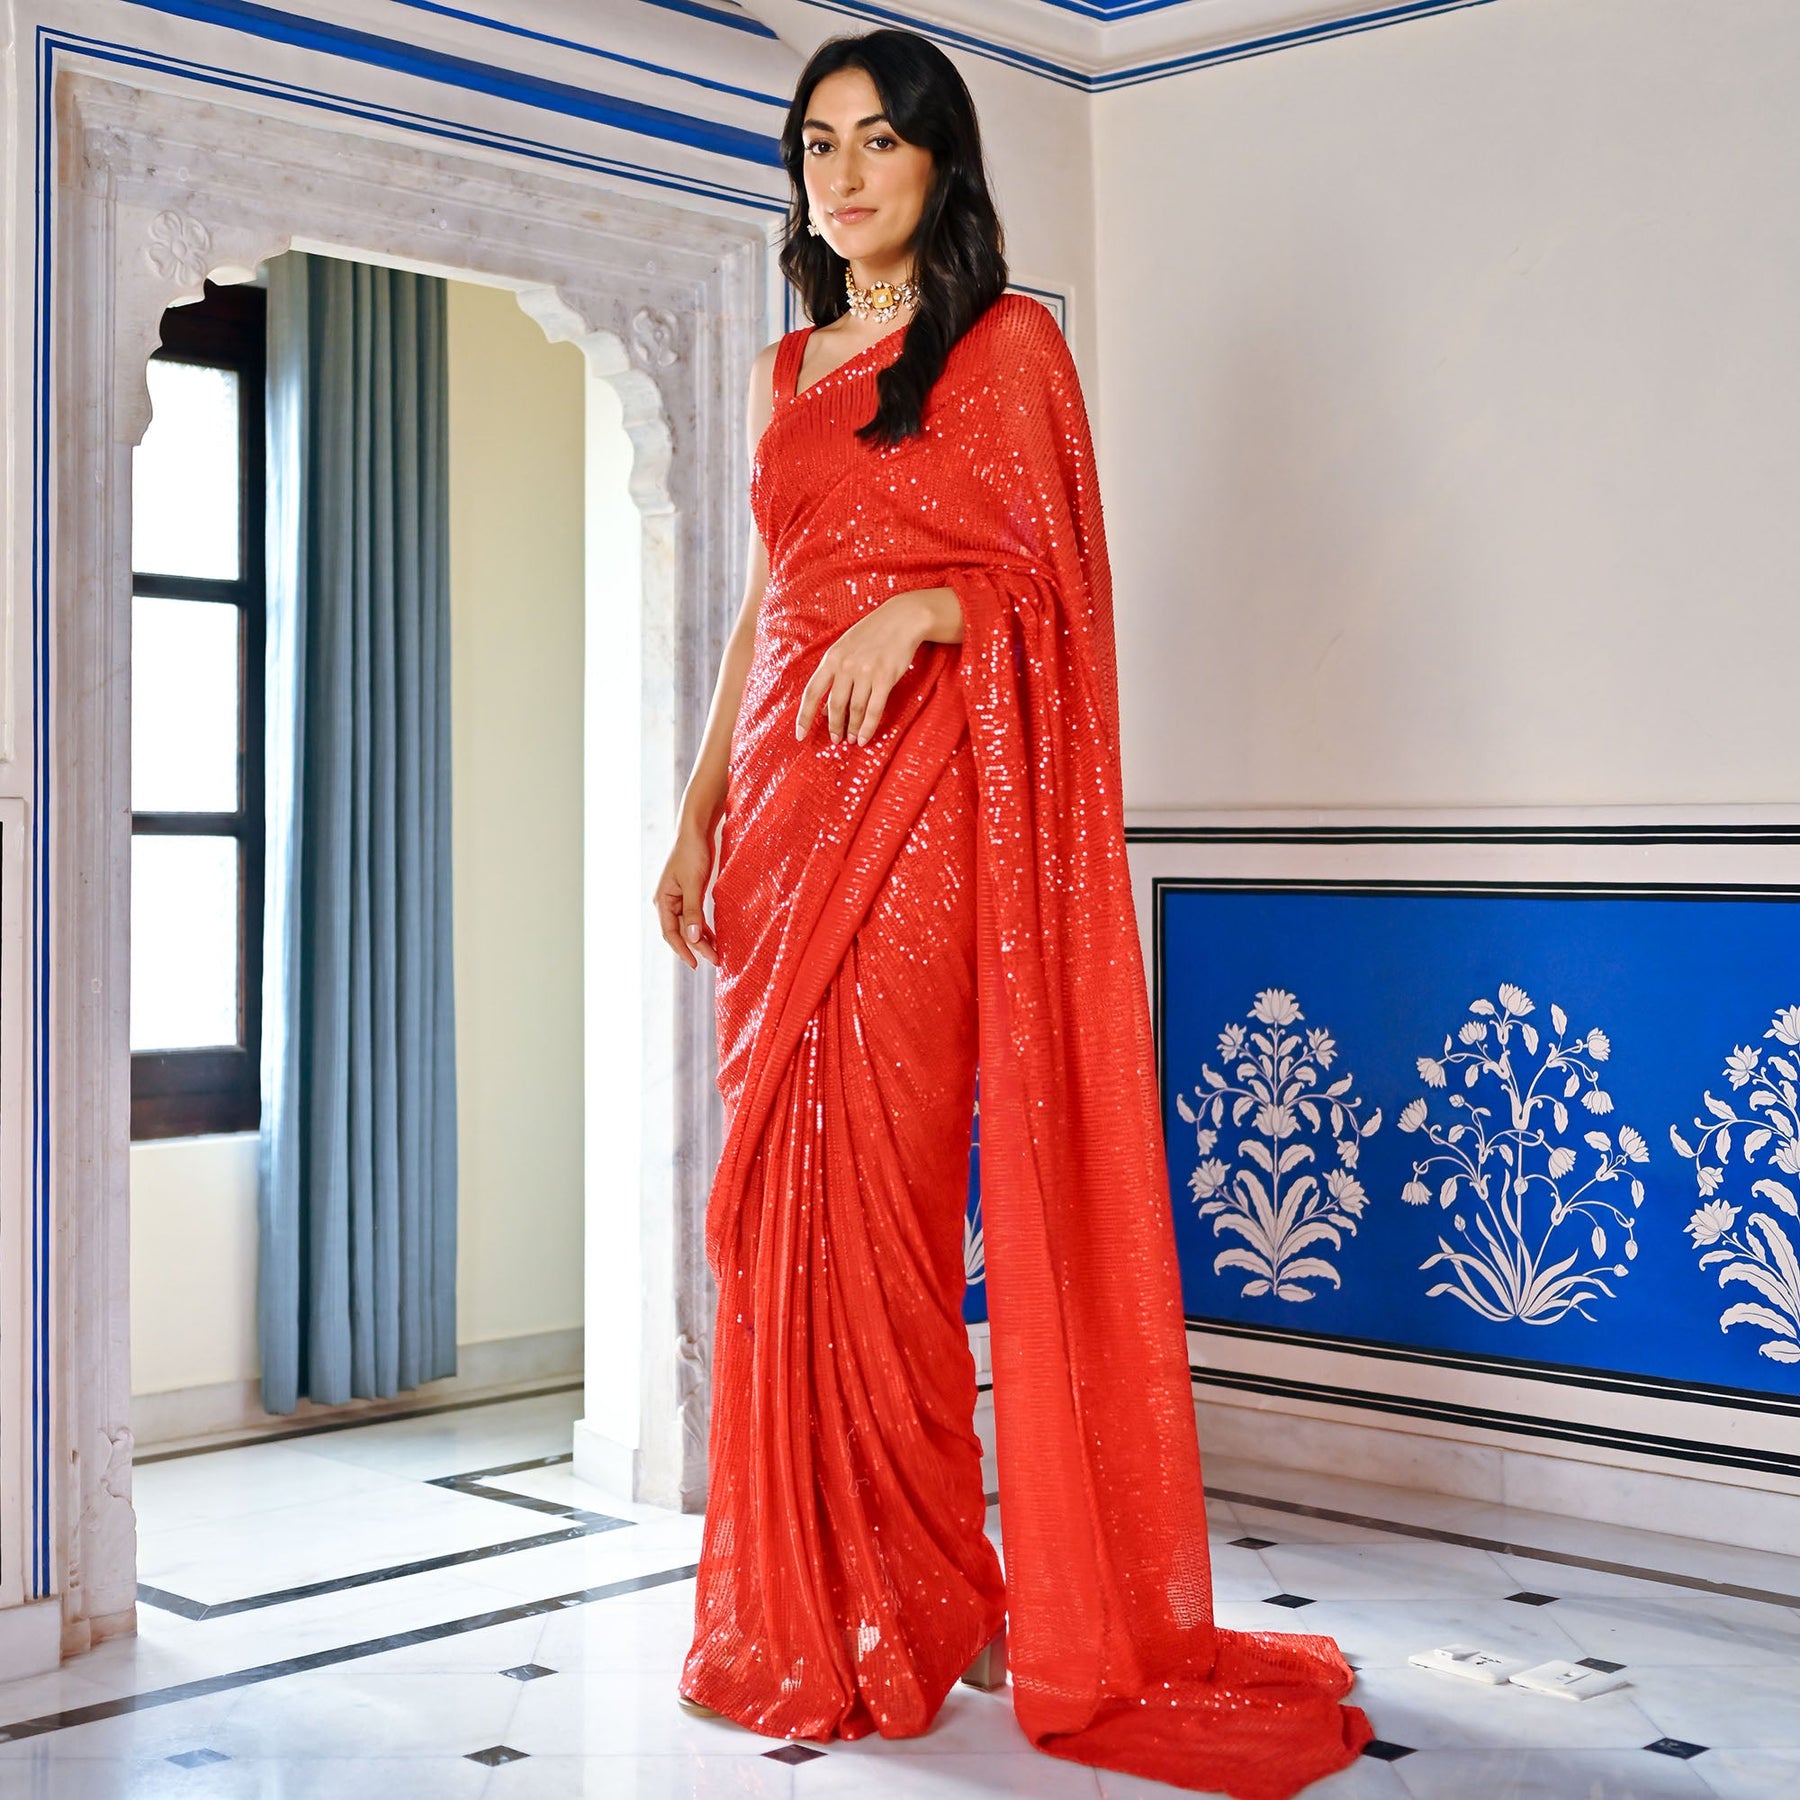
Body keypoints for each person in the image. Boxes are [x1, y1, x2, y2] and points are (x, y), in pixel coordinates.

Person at [652, 27, 1373, 1799]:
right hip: (782, 826)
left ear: (941, 164)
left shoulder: (1009, 345)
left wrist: (931, 621)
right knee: (775, 1218)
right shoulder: (780, 368)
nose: (843, 170)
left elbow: (1062, 597)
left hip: (916, 831)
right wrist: (695, 811)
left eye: (879, 139)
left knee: (890, 1217)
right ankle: (825, 1593)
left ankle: (923, 1588)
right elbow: (766, 606)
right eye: (817, 141)